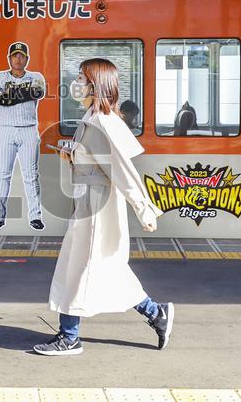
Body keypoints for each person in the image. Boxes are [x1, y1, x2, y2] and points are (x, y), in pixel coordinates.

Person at [34, 58, 171, 356]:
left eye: (82, 79)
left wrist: (144, 208)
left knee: (78, 269)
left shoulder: (101, 122)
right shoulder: (94, 118)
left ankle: (69, 337)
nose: (76, 83)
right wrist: (72, 154)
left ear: (96, 86)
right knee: (105, 268)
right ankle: (156, 313)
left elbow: (122, 170)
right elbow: (99, 161)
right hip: (90, 203)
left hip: (97, 209)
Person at [0, 41, 47, 231]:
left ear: (27, 58)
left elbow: (38, 91)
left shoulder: (36, 76)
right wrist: (25, 93)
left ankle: (35, 216)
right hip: (5, 129)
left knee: (31, 175)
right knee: (2, 174)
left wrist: (11, 94)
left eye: (22, 55)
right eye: (15, 56)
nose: (18, 59)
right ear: (9, 58)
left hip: (29, 130)